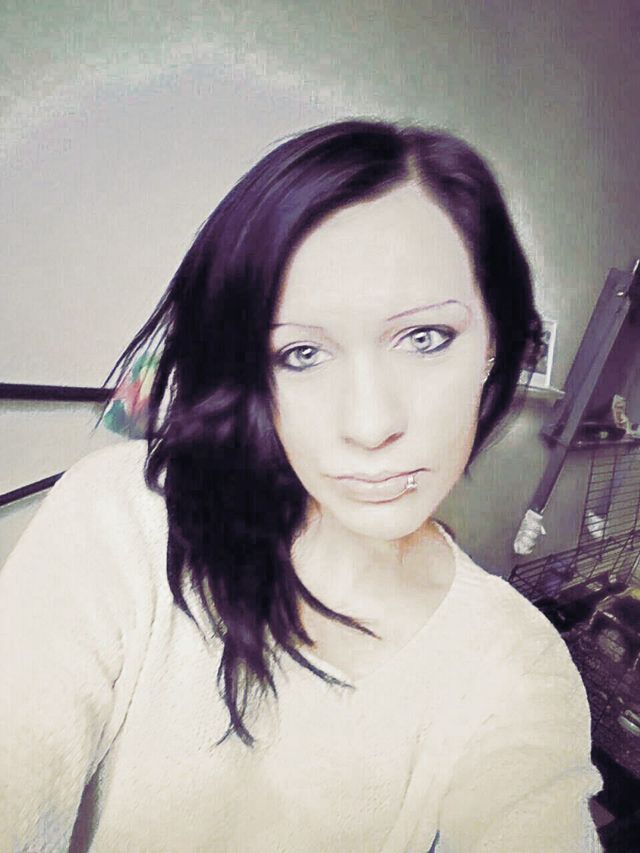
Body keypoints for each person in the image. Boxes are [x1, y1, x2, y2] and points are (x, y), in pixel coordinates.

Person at [0, 120, 604, 852]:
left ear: (494, 345)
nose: (371, 424)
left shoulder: (517, 665)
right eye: (301, 353)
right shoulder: (123, 519)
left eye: (425, 338)